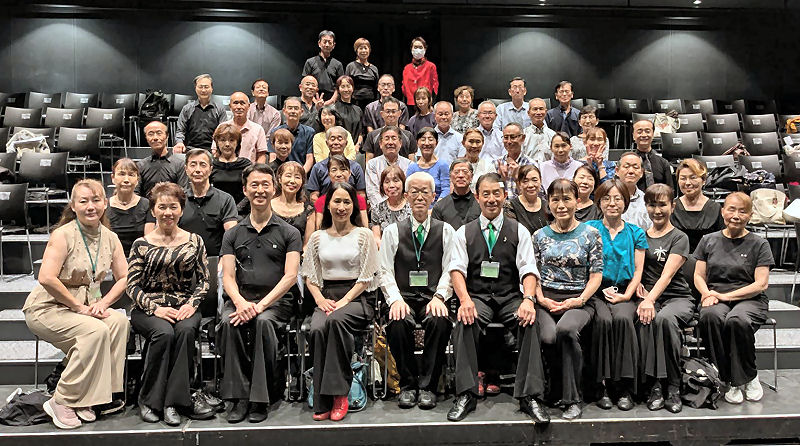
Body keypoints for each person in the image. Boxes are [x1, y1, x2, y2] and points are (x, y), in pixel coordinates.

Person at [24, 180, 129, 429]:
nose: (90, 206)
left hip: (86, 306)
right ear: (73, 206)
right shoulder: (63, 235)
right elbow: (46, 278)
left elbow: (125, 277)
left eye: (96, 200)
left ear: (105, 203)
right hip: (49, 307)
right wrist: (77, 306)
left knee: (118, 322)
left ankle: (98, 396)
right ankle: (63, 399)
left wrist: (104, 303)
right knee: (95, 331)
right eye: (83, 201)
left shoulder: (110, 238)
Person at [447, 172, 548, 424]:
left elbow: (528, 269)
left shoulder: (519, 230)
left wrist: (528, 299)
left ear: (504, 196)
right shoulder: (464, 232)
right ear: (477, 197)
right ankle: (466, 393)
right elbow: (456, 270)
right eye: (486, 194)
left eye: (496, 193)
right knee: (465, 320)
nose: (491, 199)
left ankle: (530, 396)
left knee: (530, 320)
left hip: (509, 296)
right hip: (478, 297)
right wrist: (464, 300)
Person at [219, 164, 303, 423]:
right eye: (254, 185)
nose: (260, 190)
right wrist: (240, 302)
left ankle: (260, 398)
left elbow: (290, 276)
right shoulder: (233, 233)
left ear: (274, 189)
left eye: (265, 184)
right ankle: (239, 398)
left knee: (263, 323)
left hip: (276, 303)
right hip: (241, 299)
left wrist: (261, 305)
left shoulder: (289, 232)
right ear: (245, 190)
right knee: (228, 323)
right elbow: (228, 276)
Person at [128, 182, 212, 426]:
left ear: (181, 210)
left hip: (184, 305)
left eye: (173, 207)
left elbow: (205, 280)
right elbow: (131, 286)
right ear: (153, 210)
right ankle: (149, 400)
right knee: (164, 333)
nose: (168, 212)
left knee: (185, 331)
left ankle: (173, 403)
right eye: (162, 207)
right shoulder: (141, 244)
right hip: (148, 308)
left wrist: (192, 304)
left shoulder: (194, 241)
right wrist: (155, 309)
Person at [302, 182, 380, 421]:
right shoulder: (317, 237)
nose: (342, 207)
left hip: (357, 296)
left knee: (335, 321)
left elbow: (367, 277)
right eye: (337, 201)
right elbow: (310, 276)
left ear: (354, 206)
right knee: (317, 328)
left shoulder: (364, 235)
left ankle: (339, 394)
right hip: (326, 296)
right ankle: (321, 398)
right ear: (327, 205)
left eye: (347, 202)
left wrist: (344, 300)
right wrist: (320, 299)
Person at [380, 171, 454, 410]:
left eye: (425, 192)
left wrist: (440, 296)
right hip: (404, 296)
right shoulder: (392, 231)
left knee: (439, 321)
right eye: (414, 192)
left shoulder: (446, 231)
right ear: (406, 196)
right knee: (397, 322)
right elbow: (384, 271)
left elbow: (450, 269)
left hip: (434, 296)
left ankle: (429, 386)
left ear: (433, 196)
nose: (420, 197)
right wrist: (395, 299)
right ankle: (408, 385)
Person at [533, 178, 604, 420]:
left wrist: (580, 300)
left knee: (566, 330)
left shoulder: (591, 234)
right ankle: (554, 389)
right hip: (546, 300)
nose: (561, 205)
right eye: (555, 200)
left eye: (566, 199)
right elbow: (533, 274)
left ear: (577, 201)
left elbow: (596, 275)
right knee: (548, 337)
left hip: (579, 300)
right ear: (548, 203)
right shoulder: (539, 236)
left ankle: (573, 398)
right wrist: (541, 299)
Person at [695, 192, 773, 405]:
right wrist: (706, 294)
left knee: (737, 320)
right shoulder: (708, 240)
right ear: (723, 212)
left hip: (750, 299)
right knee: (710, 317)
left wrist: (725, 296)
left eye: (742, 211)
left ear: (750, 215)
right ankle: (729, 378)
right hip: (715, 296)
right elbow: (698, 275)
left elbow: (761, 284)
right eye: (731, 209)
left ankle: (748, 375)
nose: (736, 215)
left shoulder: (759, 243)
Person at [586, 179, 647, 411]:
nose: (612, 203)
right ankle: (600, 386)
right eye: (606, 198)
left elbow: (638, 270)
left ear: (626, 202)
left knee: (622, 319)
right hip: (596, 292)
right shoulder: (589, 229)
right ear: (599, 202)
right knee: (602, 321)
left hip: (624, 291)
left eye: (618, 198)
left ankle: (624, 387)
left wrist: (627, 295)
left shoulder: (635, 232)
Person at [637, 183, 694, 414]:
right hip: (649, 297)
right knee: (642, 320)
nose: (657, 210)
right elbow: (637, 269)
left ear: (672, 206)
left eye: (662, 205)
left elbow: (667, 276)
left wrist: (649, 300)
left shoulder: (680, 237)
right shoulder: (640, 236)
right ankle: (653, 385)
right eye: (652, 205)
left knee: (664, 320)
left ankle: (672, 386)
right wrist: (637, 287)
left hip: (677, 297)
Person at [178, 149, 238, 256]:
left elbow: (231, 236)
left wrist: (224, 259)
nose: (197, 170)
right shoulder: (178, 200)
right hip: (183, 260)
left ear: (210, 169)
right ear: (186, 169)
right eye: (193, 165)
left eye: (203, 165)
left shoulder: (225, 199)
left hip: (216, 261)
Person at [671, 158, 724, 251]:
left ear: (703, 180)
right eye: (683, 178)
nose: (687, 183)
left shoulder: (715, 208)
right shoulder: (672, 207)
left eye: (693, 177)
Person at [307, 126, 367, 203]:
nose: (336, 142)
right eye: (332, 139)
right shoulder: (318, 167)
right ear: (327, 143)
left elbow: (361, 194)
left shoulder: (356, 167)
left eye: (340, 139)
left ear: (346, 143)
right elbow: (313, 196)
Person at [108, 158, 151, 256]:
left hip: (140, 258)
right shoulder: (104, 206)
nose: (126, 180)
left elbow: (149, 242)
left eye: (131, 175)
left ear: (137, 180)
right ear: (113, 178)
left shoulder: (147, 205)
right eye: (121, 174)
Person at [174, 74, 227, 153]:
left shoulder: (220, 109)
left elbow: (223, 132)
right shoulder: (187, 109)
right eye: (200, 87)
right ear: (195, 88)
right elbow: (180, 131)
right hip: (190, 149)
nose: (203, 90)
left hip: (213, 150)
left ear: (211, 89)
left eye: (206, 87)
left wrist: (216, 147)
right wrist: (179, 143)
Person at [314, 154, 369, 228]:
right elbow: (319, 228)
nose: (339, 174)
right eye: (334, 170)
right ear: (329, 174)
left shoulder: (359, 200)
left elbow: (365, 228)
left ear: (349, 173)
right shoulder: (321, 201)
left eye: (343, 169)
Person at [211, 92, 268, 164]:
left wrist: (256, 170)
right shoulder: (222, 127)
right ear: (230, 106)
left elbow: (261, 156)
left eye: (242, 103)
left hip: (250, 169)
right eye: (235, 103)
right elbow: (215, 152)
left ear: (249, 106)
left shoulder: (258, 129)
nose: (239, 107)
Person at [137, 121, 189, 198]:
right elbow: (136, 193)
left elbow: (183, 193)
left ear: (167, 136)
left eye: (159, 133)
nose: (155, 138)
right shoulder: (141, 166)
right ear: (146, 138)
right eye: (150, 134)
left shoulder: (179, 164)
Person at [271, 161, 316, 248]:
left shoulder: (309, 210)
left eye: (297, 177)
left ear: (302, 182)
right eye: (288, 176)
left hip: (298, 253)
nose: (292, 181)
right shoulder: (268, 206)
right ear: (279, 179)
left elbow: (307, 245)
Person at [366, 126, 413, 207]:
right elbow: (373, 193)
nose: (390, 142)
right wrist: (388, 208)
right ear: (380, 144)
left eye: (394, 138)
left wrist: (400, 207)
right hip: (380, 209)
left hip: (405, 209)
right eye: (387, 138)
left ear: (400, 143)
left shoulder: (409, 165)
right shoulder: (372, 164)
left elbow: (410, 192)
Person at [431, 158, 481, 229]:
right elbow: (436, 232)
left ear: (471, 177)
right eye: (456, 172)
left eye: (465, 172)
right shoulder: (439, 206)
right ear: (450, 177)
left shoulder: (480, 204)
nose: (460, 175)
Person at [268, 97, 315, 174]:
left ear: (301, 112)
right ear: (284, 111)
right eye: (290, 108)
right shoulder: (275, 132)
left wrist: (299, 175)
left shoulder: (309, 132)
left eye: (296, 108)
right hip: (280, 174)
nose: (293, 111)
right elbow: (272, 156)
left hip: (302, 174)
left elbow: (309, 159)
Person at [363, 97, 417, 163]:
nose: (391, 115)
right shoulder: (372, 136)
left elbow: (411, 163)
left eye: (394, 111)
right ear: (382, 114)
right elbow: (368, 163)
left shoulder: (408, 136)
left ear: (400, 113)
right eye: (388, 111)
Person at [211, 123, 252, 205]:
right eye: (223, 140)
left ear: (237, 143)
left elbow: (250, 191)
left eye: (231, 140)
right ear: (217, 143)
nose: (227, 144)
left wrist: (237, 209)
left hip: (241, 209)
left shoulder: (246, 165)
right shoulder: (211, 165)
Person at [406, 127, 450, 204]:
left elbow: (446, 190)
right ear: (417, 143)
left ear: (436, 143)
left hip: (438, 208)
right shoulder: (412, 168)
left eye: (430, 139)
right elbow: (408, 191)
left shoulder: (443, 165)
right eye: (423, 139)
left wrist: (435, 208)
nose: (427, 143)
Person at [370, 165, 411, 245]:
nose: (391, 185)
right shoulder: (377, 209)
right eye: (387, 182)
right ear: (382, 186)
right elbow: (377, 238)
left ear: (403, 183)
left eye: (396, 181)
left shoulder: (412, 206)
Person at [503, 165, 549, 235]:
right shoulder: (510, 206)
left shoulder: (548, 206)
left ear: (540, 181)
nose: (530, 185)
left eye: (534, 180)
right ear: (519, 184)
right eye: (525, 181)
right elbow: (511, 233)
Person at [302, 30, 344, 102]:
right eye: (324, 42)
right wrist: (314, 101)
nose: (327, 45)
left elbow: (340, 85)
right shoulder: (310, 62)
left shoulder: (338, 64)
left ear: (333, 45)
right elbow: (305, 83)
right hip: (312, 99)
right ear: (319, 43)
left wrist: (331, 101)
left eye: (329, 42)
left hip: (332, 101)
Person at [632, 119, 674, 191]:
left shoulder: (663, 162)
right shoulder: (627, 162)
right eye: (639, 132)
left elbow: (669, 191)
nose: (644, 135)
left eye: (647, 131)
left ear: (653, 134)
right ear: (633, 135)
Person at [495, 123, 534, 200]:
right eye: (506, 137)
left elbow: (532, 198)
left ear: (523, 138)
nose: (509, 141)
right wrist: (501, 180)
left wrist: (517, 180)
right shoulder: (496, 164)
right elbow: (494, 195)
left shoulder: (530, 165)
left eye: (513, 137)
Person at [616, 152, 653, 230]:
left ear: (641, 173)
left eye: (635, 167)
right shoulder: (607, 199)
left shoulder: (647, 201)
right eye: (626, 166)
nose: (631, 171)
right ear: (617, 171)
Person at [402, 37, 439, 107]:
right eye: (415, 47)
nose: (418, 50)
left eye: (420, 47)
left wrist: (431, 104)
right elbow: (404, 89)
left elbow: (435, 87)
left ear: (425, 49)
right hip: (410, 105)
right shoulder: (407, 68)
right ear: (411, 49)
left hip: (426, 104)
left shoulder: (431, 66)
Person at [345, 38, 380, 110]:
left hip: (371, 104)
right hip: (354, 103)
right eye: (361, 48)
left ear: (369, 50)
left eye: (365, 48)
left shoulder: (374, 68)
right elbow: (346, 85)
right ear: (356, 50)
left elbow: (377, 88)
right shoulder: (350, 66)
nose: (363, 51)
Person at [332, 75, 364, 150]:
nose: (346, 90)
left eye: (348, 86)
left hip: (355, 149)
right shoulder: (333, 109)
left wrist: (357, 146)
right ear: (338, 89)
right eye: (343, 86)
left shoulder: (358, 110)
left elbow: (361, 133)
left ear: (352, 88)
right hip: (338, 149)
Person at [521, 98, 556, 163]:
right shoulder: (522, 135)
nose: (538, 112)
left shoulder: (553, 135)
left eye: (541, 109)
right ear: (528, 113)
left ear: (546, 112)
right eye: (535, 109)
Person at [431, 101, 463, 166]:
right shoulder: (428, 137)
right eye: (440, 114)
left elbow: (461, 162)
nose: (443, 117)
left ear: (452, 115)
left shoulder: (459, 138)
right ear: (434, 116)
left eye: (446, 114)